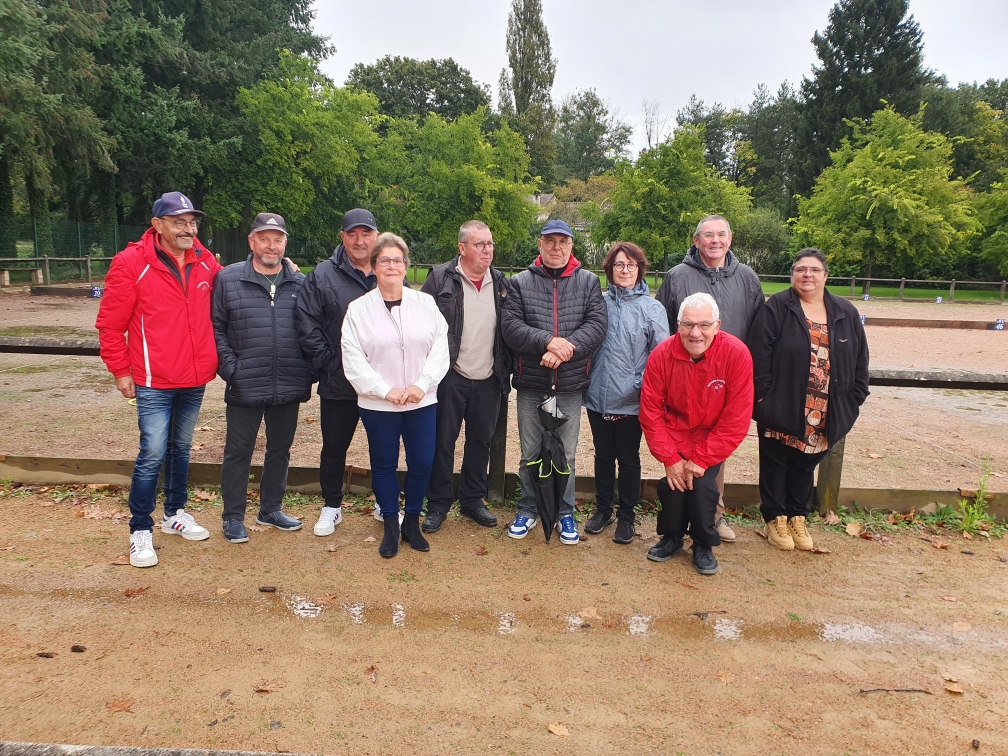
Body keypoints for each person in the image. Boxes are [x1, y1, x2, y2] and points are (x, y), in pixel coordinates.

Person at [96, 191, 220, 568]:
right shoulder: (131, 263)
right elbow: (110, 325)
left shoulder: (205, 261)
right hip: (153, 380)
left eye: (192, 222)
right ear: (158, 225)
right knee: (151, 453)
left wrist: (288, 271)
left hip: (194, 377)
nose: (188, 228)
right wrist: (120, 370)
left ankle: (174, 514)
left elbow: (234, 285)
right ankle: (140, 530)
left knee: (181, 449)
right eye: (179, 222)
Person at [748, 248, 870, 551]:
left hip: (825, 408)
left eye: (814, 270)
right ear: (792, 275)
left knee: (805, 465)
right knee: (776, 462)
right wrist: (763, 398)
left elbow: (860, 361)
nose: (807, 275)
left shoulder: (845, 313)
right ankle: (774, 518)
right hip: (782, 403)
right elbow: (758, 355)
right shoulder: (777, 307)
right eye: (801, 269)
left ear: (825, 276)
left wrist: (854, 398)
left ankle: (797, 516)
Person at [655, 214, 764, 543]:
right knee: (678, 452)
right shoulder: (677, 276)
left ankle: (712, 518)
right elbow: (663, 324)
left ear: (730, 239)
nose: (715, 240)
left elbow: (759, 327)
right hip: (682, 373)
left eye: (721, 235)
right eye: (708, 235)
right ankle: (678, 525)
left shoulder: (746, 278)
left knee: (712, 456)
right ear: (696, 239)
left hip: (726, 377)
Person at [341, 233, 449, 558]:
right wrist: (385, 391)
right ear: (373, 266)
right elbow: (353, 358)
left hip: (421, 401)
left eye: (397, 260)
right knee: (384, 464)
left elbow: (440, 348)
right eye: (384, 260)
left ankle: (412, 522)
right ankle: (390, 523)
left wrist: (422, 384)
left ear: (406, 266)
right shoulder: (358, 310)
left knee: (422, 462)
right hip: (378, 405)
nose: (391, 265)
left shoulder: (425, 305)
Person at [500, 220, 607, 545]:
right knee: (530, 451)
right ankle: (528, 508)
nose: (556, 247)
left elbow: (597, 324)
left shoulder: (588, 282)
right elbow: (511, 327)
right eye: (550, 241)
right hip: (533, 382)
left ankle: (564, 512)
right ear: (540, 244)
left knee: (567, 454)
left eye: (563, 241)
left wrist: (566, 349)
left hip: (571, 384)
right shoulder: (519, 283)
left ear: (571, 246)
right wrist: (548, 341)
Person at [211, 213, 315, 543]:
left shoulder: (300, 283)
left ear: (285, 243)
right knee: (238, 451)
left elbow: (313, 329)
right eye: (264, 238)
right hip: (245, 382)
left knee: (280, 449)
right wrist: (232, 370)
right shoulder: (228, 279)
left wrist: (307, 371)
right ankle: (232, 516)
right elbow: (216, 328)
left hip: (288, 380)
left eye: (278, 239)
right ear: (251, 241)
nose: (272, 245)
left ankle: (271, 508)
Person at [296, 208, 399, 537]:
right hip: (339, 382)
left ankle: (385, 503)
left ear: (376, 236)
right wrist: (329, 362)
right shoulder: (323, 275)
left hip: (380, 384)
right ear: (342, 237)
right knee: (334, 446)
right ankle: (332, 506)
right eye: (352, 234)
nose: (359, 240)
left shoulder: (389, 270)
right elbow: (307, 322)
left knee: (383, 446)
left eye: (366, 233)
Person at [639, 293, 754, 575]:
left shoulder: (736, 354)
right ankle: (672, 537)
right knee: (673, 484)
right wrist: (669, 457)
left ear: (717, 325)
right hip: (675, 433)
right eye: (688, 325)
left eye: (704, 325)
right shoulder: (662, 355)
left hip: (712, 436)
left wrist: (703, 458)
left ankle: (703, 542)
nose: (695, 333)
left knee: (702, 487)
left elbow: (737, 416)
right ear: (678, 325)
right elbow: (651, 410)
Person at [420, 220, 512, 533]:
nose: (488, 250)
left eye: (490, 244)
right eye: (480, 244)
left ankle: (473, 499)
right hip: (450, 376)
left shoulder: (500, 282)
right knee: (442, 442)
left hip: (488, 377)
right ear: (462, 248)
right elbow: (422, 326)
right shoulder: (440, 278)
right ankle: (439, 502)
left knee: (480, 442)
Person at [584, 242, 669, 544]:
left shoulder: (652, 308)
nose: (625, 270)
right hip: (597, 395)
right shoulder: (598, 303)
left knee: (629, 457)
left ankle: (627, 515)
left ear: (639, 269)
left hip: (632, 400)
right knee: (604, 455)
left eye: (631, 265)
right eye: (619, 264)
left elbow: (661, 356)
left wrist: (641, 385)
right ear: (610, 269)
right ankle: (603, 508)